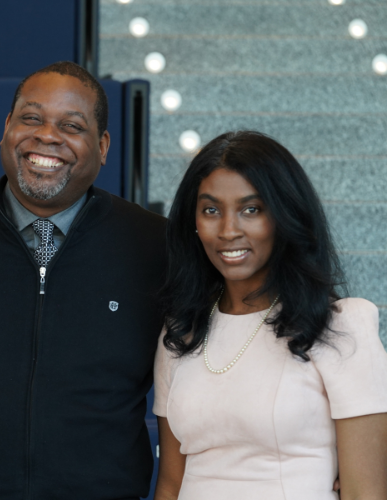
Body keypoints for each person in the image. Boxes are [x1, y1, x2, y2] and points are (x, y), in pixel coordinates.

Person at [0, 61, 167, 499]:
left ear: (103, 145)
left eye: (71, 125)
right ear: (6, 128)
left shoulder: (156, 247)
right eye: (31, 118)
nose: (47, 136)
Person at [153, 130, 387, 500]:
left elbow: (366, 492)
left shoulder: (341, 325)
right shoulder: (182, 331)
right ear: (193, 223)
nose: (229, 231)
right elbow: (170, 484)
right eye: (211, 210)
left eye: (252, 209)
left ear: (283, 216)